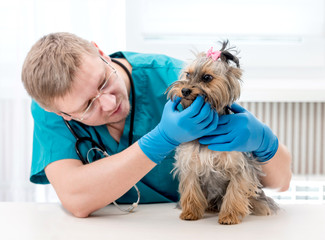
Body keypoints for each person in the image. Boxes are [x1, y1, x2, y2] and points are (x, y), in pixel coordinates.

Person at [22, 32, 292, 218]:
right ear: (60, 112)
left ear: (102, 54)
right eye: (87, 106)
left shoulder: (178, 79)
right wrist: (161, 140)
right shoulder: (51, 108)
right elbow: (76, 200)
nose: (108, 103)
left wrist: (264, 142)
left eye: (104, 82)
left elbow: (280, 181)